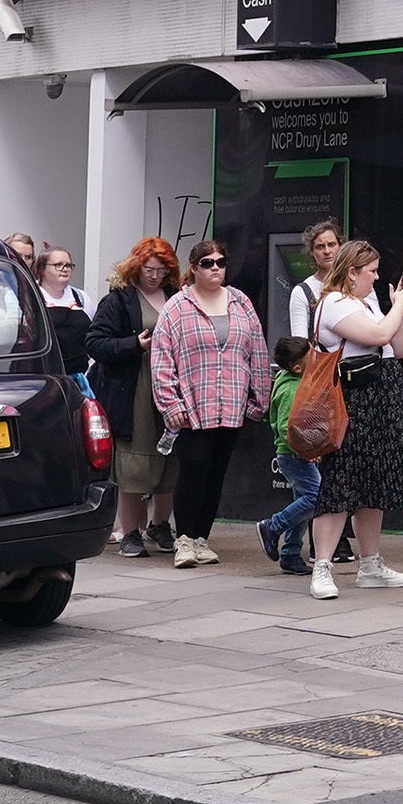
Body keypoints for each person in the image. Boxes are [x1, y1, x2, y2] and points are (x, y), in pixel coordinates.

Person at [306, 240, 403, 598]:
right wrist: (400, 304)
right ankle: (322, 567)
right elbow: (378, 335)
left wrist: (399, 309)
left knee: (375, 481)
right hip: (352, 401)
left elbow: (396, 347)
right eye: (370, 270)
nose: (376, 276)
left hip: (380, 396)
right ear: (351, 272)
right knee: (341, 482)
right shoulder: (335, 303)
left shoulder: (367, 302)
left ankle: (370, 563)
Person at [153, 239, 272, 568]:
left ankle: (202, 538)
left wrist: (259, 399)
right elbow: (162, 359)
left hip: (232, 402)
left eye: (220, 262)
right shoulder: (177, 306)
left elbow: (257, 352)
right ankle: (184, 539)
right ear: (194, 268)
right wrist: (170, 403)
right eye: (208, 263)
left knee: (217, 473)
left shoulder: (240, 302)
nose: (216, 268)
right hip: (193, 403)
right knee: (193, 470)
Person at [89, 239, 183, 557]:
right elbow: (96, 343)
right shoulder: (118, 301)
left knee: (171, 459)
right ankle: (130, 532)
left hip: (171, 384)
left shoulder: (177, 296)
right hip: (136, 388)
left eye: (161, 270)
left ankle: (160, 525)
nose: (155, 276)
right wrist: (135, 345)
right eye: (148, 269)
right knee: (133, 460)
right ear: (135, 267)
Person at [259, 336, 322, 578]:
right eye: (311, 355)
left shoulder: (296, 379)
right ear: (297, 367)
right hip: (295, 455)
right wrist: (306, 451)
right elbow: (287, 428)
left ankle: (290, 554)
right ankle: (272, 527)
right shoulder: (290, 389)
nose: (316, 356)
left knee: (303, 504)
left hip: (297, 454)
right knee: (315, 497)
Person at [38, 248, 91, 374]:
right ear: (42, 269)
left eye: (68, 265)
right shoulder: (30, 297)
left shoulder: (81, 297)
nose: (65, 269)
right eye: (58, 265)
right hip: (44, 375)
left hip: (77, 377)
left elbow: (95, 335)